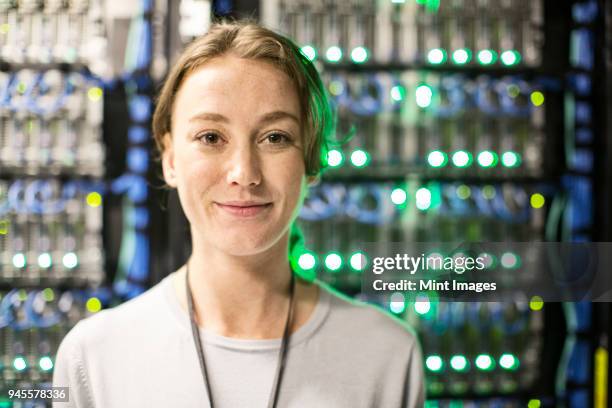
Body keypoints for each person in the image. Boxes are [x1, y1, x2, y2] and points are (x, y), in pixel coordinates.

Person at [53, 21, 425, 407]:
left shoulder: (388, 355)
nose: (244, 173)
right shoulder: (92, 357)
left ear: (312, 161)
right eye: (211, 137)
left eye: (275, 137)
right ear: (170, 159)